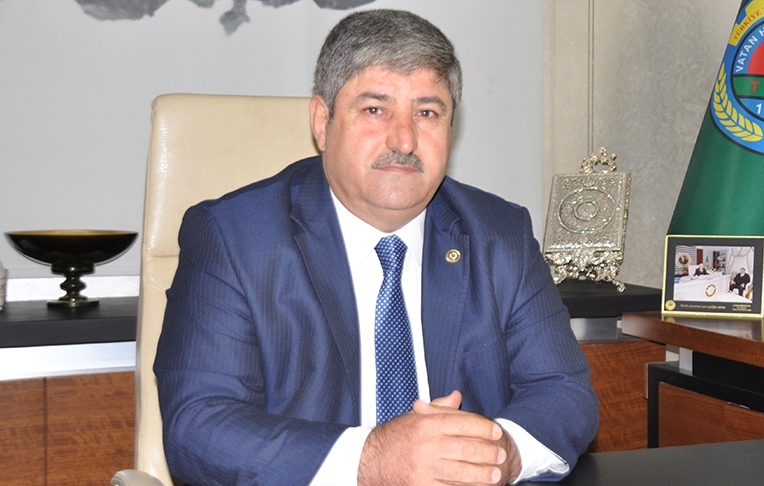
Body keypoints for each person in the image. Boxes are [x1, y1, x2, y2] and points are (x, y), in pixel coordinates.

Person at [154, 9, 598, 486]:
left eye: (427, 112)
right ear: (322, 121)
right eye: (374, 109)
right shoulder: (233, 237)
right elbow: (199, 427)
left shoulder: (499, 233)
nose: (404, 139)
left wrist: (500, 455)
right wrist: (371, 461)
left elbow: (564, 392)